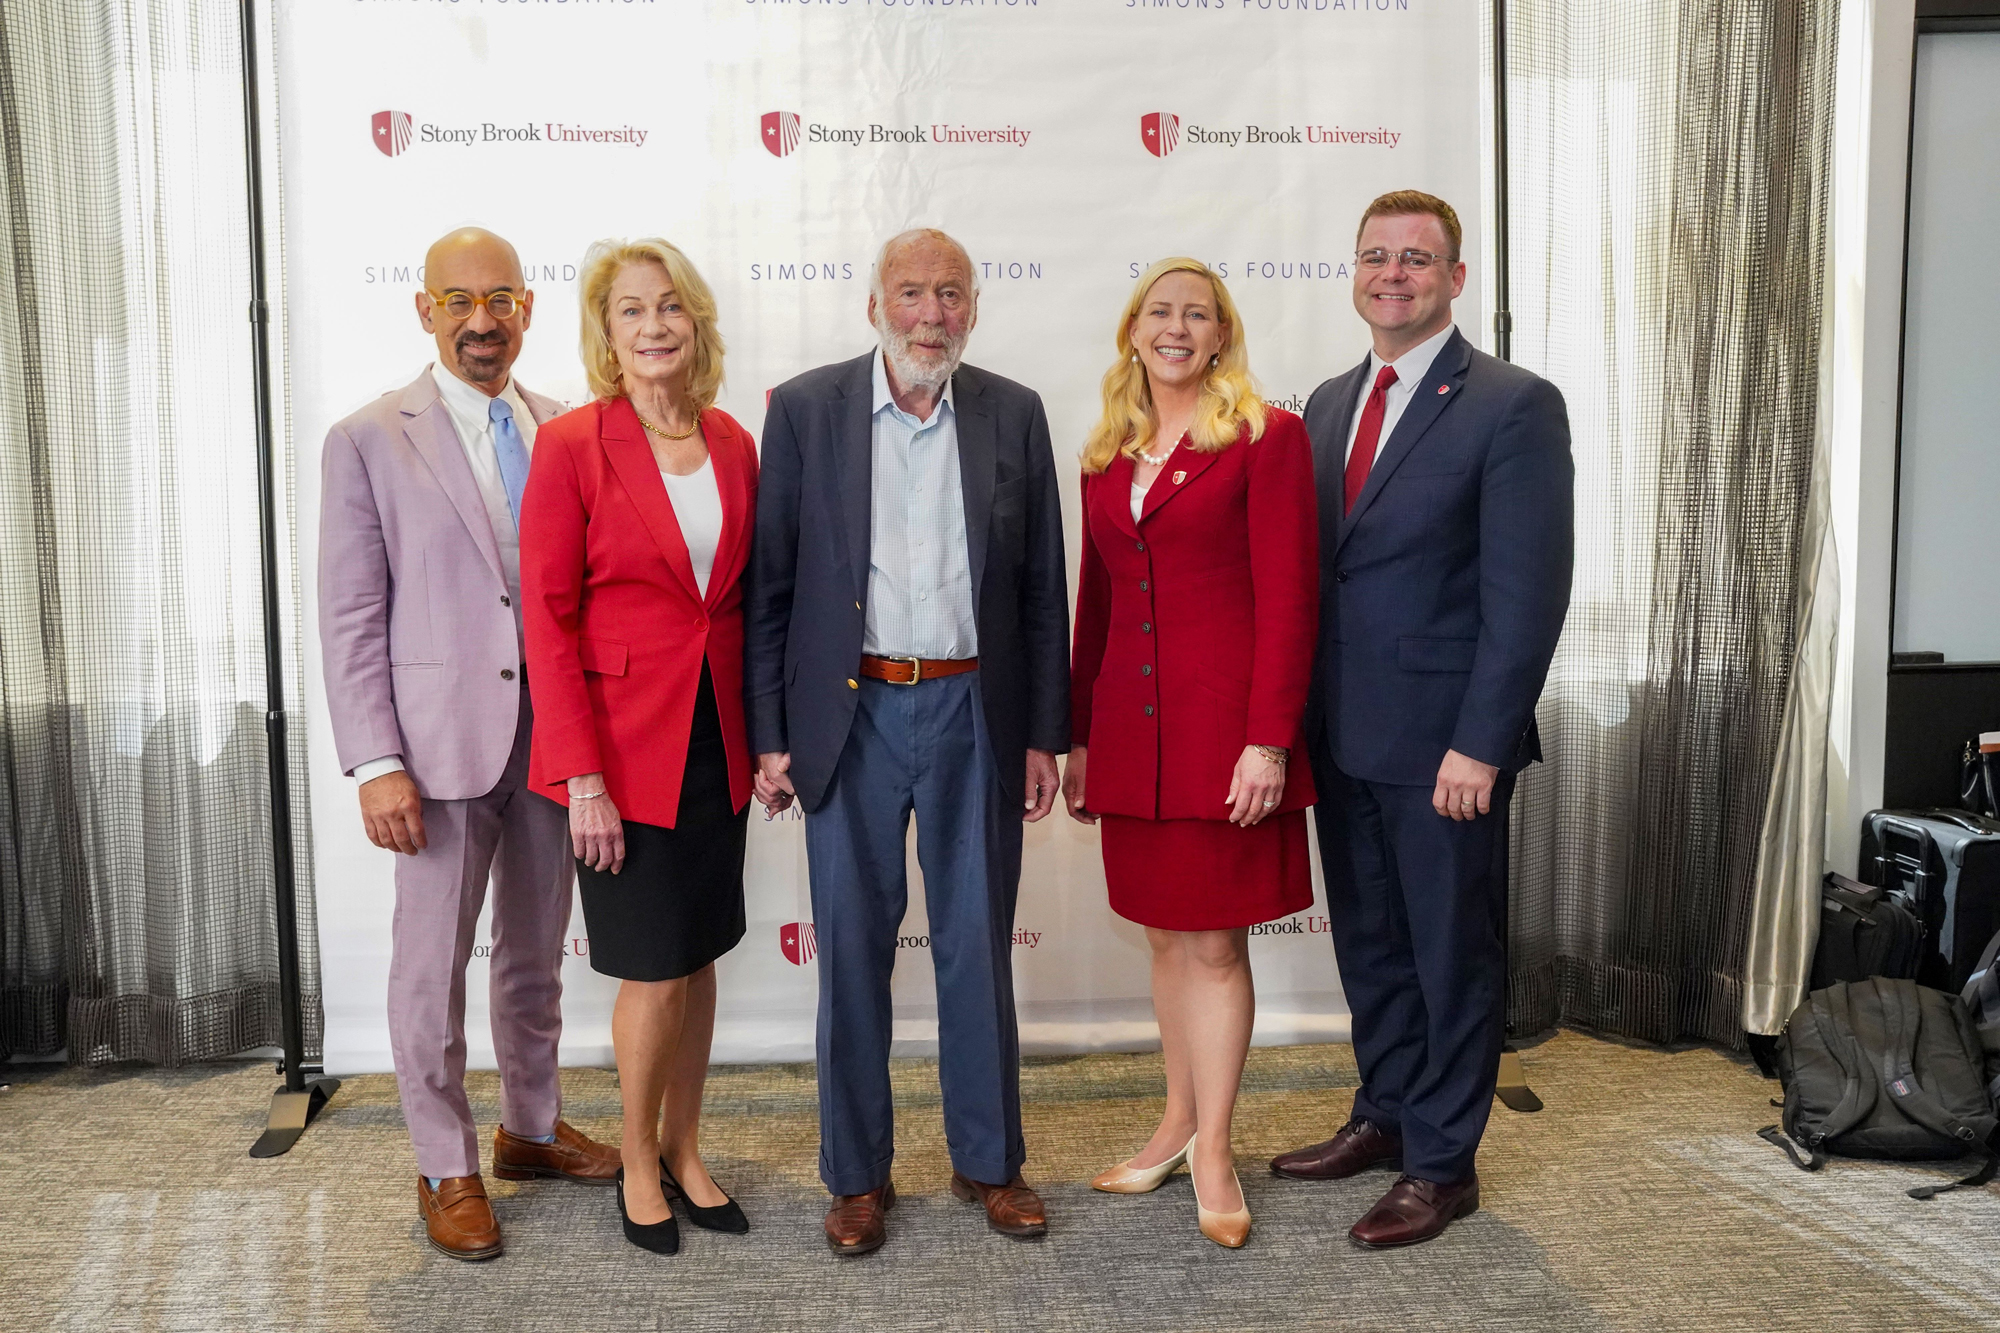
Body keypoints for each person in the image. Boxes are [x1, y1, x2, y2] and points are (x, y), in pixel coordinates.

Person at [744, 228, 1070, 1257]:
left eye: (951, 294)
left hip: (976, 711)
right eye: (912, 292)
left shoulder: (1012, 411)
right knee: (848, 950)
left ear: (974, 305)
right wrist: (768, 732)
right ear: (874, 303)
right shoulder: (804, 409)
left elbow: (1038, 591)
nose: (932, 312)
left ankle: (988, 1161)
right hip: (850, 715)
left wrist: (1043, 734)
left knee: (976, 946)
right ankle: (855, 1176)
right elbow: (772, 587)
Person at [1269, 191, 1573, 1248]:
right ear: (1352, 274)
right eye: (1373, 257)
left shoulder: (1510, 403)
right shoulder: (1323, 403)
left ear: (1453, 278)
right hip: (1341, 733)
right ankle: (1385, 1113)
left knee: (1450, 955)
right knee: (1371, 946)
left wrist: (1480, 742)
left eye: (1415, 258)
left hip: (1446, 746)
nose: (1391, 274)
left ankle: (1442, 1162)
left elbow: (1525, 595)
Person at [317, 227, 619, 1263]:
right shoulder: (366, 437)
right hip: (434, 751)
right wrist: (375, 761)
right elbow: (351, 612)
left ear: (527, 309)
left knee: (534, 956)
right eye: (459, 301)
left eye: (499, 300)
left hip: (556, 740)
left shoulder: (567, 427)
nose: (481, 321)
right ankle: (443, 1162)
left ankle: (530, 1129)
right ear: (425, 309)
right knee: (428, 967)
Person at [1061, 259, 1318, 1249]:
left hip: (1224, 738)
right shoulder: (1104, 451)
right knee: (1166, 939)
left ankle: (1213, 1145)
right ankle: (1173, 1124)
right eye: (1159, 312)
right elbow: (1098, 606)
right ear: (1132, 328)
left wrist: (1268, 740)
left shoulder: (1266, 437)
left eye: (1196, 315)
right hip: (1130, 737)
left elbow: (1289, 599)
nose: (1175, 328)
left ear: (1220, 335)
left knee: (1212, 946)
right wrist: (1078, 734)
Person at [519, 239, 758, 1256]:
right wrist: (582, 778)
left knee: (699, 959)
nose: (654, 325)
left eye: (669, 307)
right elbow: (546, 616)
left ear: (694, 320)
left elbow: (745, 602)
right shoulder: (572, 444)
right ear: (603, 331)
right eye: (630, 311)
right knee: (652, 970)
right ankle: (635, 1159)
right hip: (616, 754)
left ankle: (686, 1143)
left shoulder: (733, 440)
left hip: (717, 740)